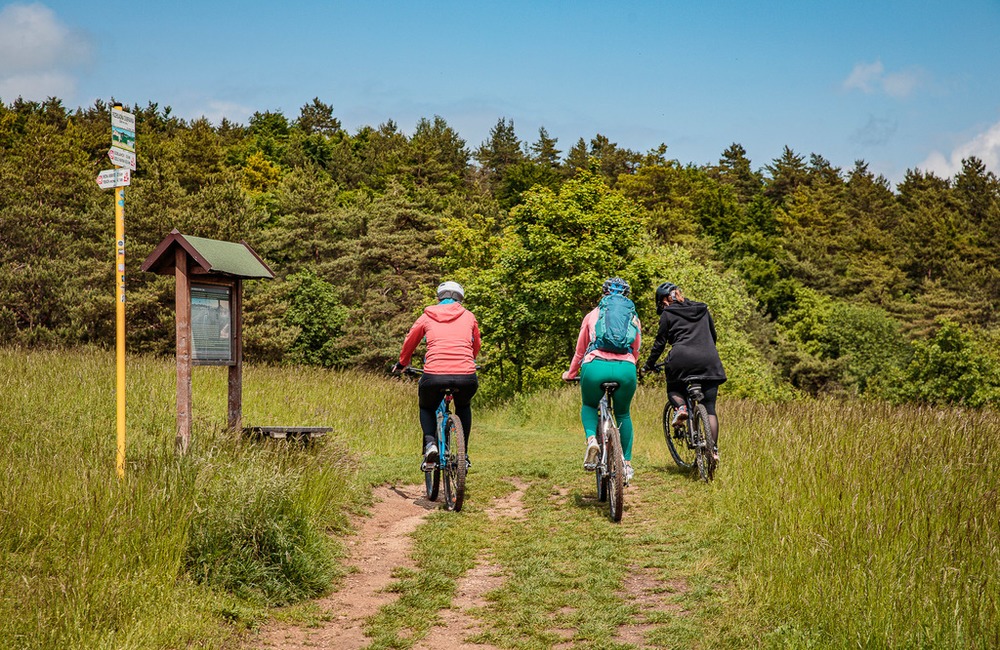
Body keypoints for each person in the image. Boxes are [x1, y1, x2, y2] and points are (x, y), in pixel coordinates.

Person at [392, 281, 481, 469]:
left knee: (426, 407)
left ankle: (431, 443)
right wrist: (467, 361)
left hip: (434, 375)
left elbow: (410, 341)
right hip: (466, 375)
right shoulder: (469, 316)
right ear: (460, 299)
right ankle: (463, 456)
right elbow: (476, 344)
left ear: (439, 298)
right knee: (463, 406)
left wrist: (403, 363)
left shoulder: (426, 317)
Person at [562, 277, 642, 484]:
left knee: (589, 405)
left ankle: (591, 440)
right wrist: (628, 364)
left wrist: (571, 374)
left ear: (604, 293)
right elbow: (636, 349)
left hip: (595, 365)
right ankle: (627, 464)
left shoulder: (592, 315)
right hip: (626, 368)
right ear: (626, 295)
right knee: (623, 412)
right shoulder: (632, 316)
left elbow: (580, 351)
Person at [641, 282, 726, 460]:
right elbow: (713, 335)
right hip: (709, 358)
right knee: (709, 408)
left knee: (673, 388)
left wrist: (649, 365)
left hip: (681, 359)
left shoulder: (667, 313)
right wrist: (705, 352)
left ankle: (681, 408)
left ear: (665, 300)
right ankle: (713, 451)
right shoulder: (702, 308)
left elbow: (660, 343)